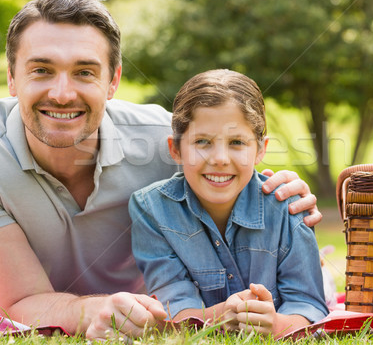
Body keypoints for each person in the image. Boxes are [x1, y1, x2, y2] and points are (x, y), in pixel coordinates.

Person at [0, 0, 322, 339]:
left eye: (85, 72)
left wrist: (276, 188)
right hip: (111, 311)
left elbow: (227, 167)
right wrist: (92, 312)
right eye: (42, 70)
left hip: (159, 310)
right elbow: (20, 300)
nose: (63, 93)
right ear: (12, 79)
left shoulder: (161, 140)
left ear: (113, 80)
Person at [129, 69, 329, 338]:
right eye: (202, 142)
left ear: (260, 149)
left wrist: (277, 325)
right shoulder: (151, 208)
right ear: (175, 148)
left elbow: (310, 306)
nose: (220, 158)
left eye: (237, 142)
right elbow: (174, 310)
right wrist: (224, 314)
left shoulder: (288, 206)